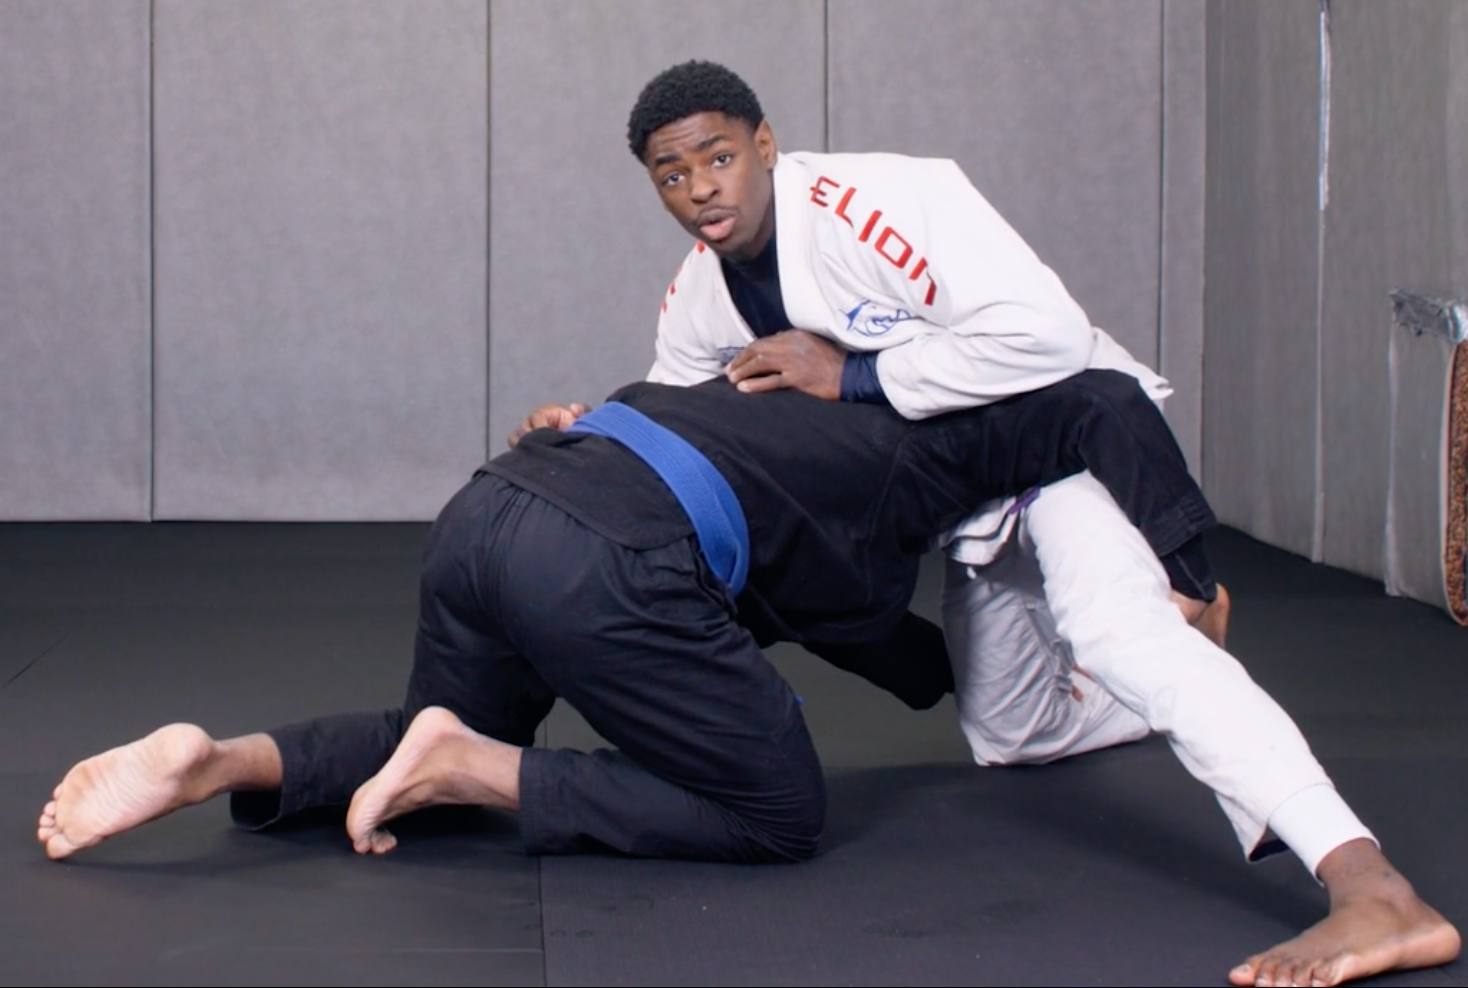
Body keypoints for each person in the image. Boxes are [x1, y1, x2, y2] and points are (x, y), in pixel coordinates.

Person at [610, 59, 1460, 988]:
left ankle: (1371, 888)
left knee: (1117, 633)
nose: (701, 189)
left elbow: (1049, 335)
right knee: (1012, 732)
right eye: (672, 176)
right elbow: (681, 414)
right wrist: (587, 428)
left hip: (1067, 444)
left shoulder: (877, 203)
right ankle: (1187, 668)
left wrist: (851, 374)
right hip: (970, 500)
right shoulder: (701, 293)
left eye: (719, 158)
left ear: (766, 145)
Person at [40, 371, 1198, 865]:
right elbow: (1098, 401)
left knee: (415, 738)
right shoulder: (915, 465)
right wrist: (1188, 574)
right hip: (602, 564)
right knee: (780, 810)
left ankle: (220, 760)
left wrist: (927, 667)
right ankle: (479, 766)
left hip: (487, 512)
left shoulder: (757, 382)